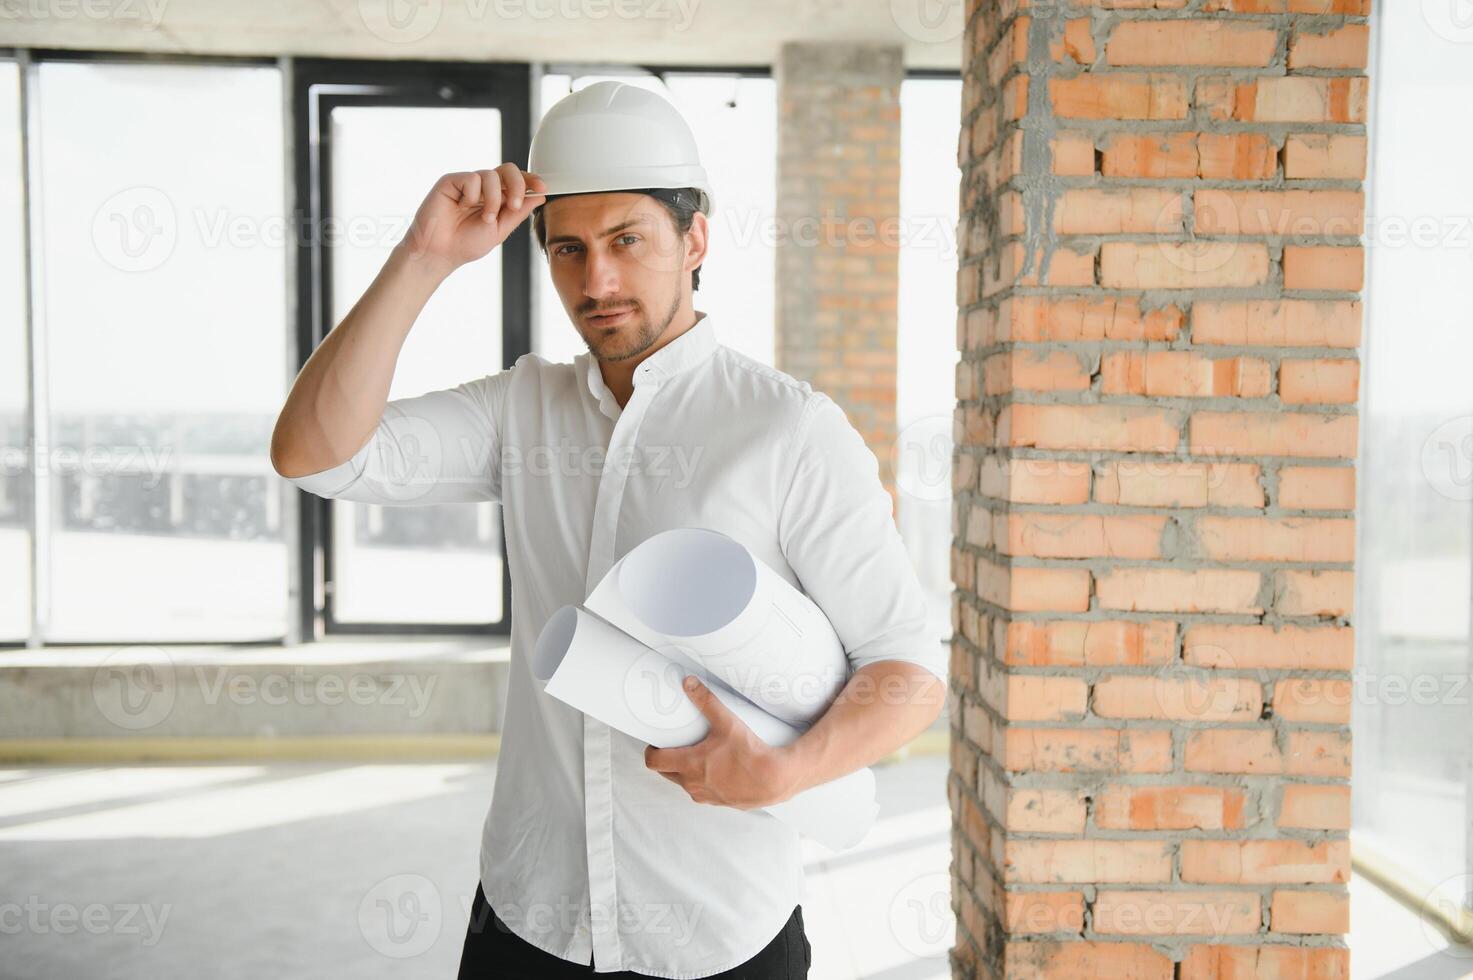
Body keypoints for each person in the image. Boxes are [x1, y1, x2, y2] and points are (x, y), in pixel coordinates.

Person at [271, 80, 947, 979]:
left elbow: (907, 667)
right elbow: (316, 455)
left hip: (719, 928)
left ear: (694, 239)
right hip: (528, 912)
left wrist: (787, 774)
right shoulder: (522, 409)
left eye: (628, 241)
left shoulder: (788, 431)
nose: (598, 281)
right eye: (568, 250)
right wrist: (423, 259)